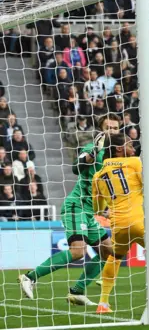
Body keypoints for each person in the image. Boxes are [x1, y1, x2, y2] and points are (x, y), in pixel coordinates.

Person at [19, 114, 120, 306]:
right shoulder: (92, 149)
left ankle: (78, 291)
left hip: (90, 213)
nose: (112, 131)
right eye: (108, 127)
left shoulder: (116, 156)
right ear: (100, 131)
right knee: (77, 252)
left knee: (108, 251)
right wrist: (91, 155)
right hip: (76, 206)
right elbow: (77, 167)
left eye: (115, 128)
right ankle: (30, 277)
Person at [92, 133, 149, 315]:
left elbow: (98, 206)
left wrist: (110, 203)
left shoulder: (98, 174)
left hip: (117, 226)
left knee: (115, 257)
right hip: (141, 222)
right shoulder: (134, 162)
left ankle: (103, 303)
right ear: (119, 149)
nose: (133, 148)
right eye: (129, 144)